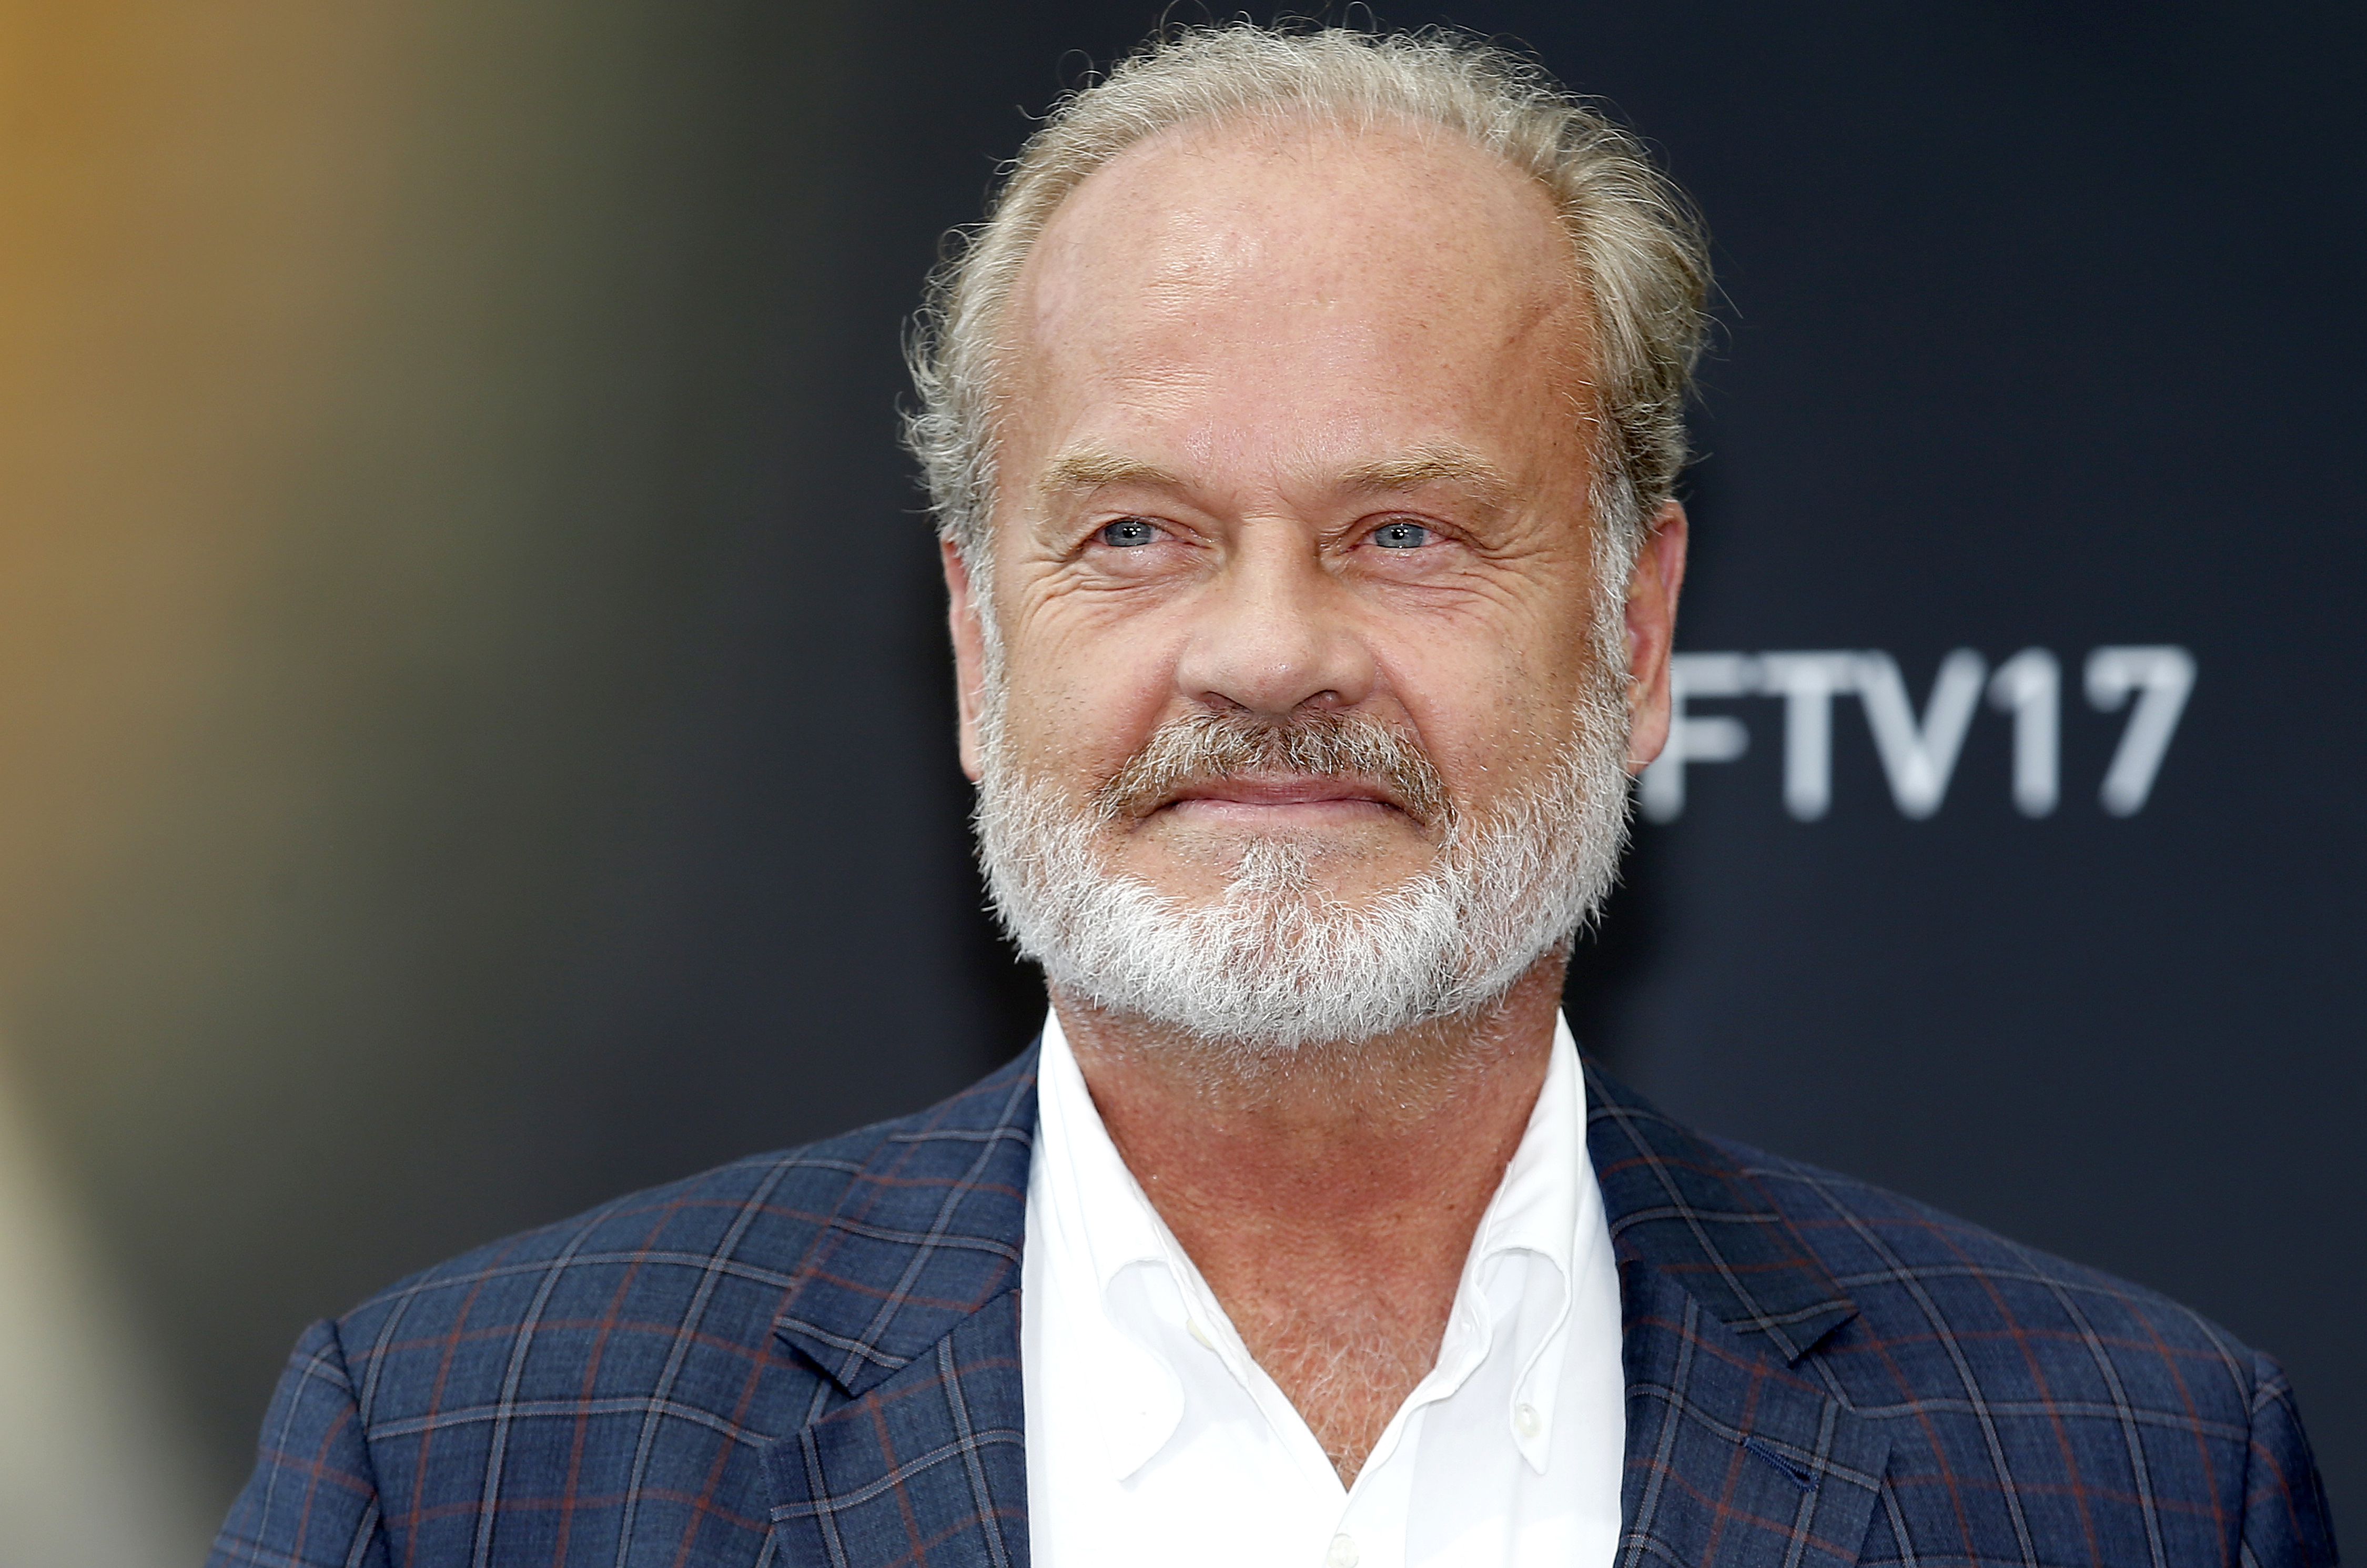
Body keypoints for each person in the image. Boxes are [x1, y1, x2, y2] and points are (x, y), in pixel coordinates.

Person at [210, 25, 2335, 1568]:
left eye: (1406, 530)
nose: (1266, 648)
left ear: (1636, 629)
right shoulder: (468, 1465)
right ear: (974, 639)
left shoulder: (2131, 1476)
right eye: (1134, 533)